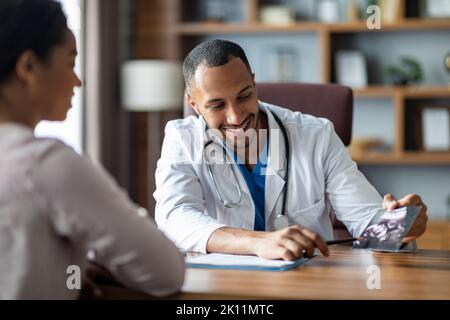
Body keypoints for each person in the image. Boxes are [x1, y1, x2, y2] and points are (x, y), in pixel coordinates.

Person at [154, 39, 428, 260]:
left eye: (244, 95)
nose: (236, 116)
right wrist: (258, 243)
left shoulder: (316, 136)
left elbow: (367, 222)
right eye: (216, 105)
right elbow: (175, 217)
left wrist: (399, 224)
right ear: (193, 103)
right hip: (222, 285)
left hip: (307, 284)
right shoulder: (182, 140)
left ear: (254, 82)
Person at [0, 0, 184, 299]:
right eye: (71, 63)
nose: (78, 80)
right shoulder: (45, 164)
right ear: (29, 67)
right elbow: (166, 272)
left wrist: (74, 268)